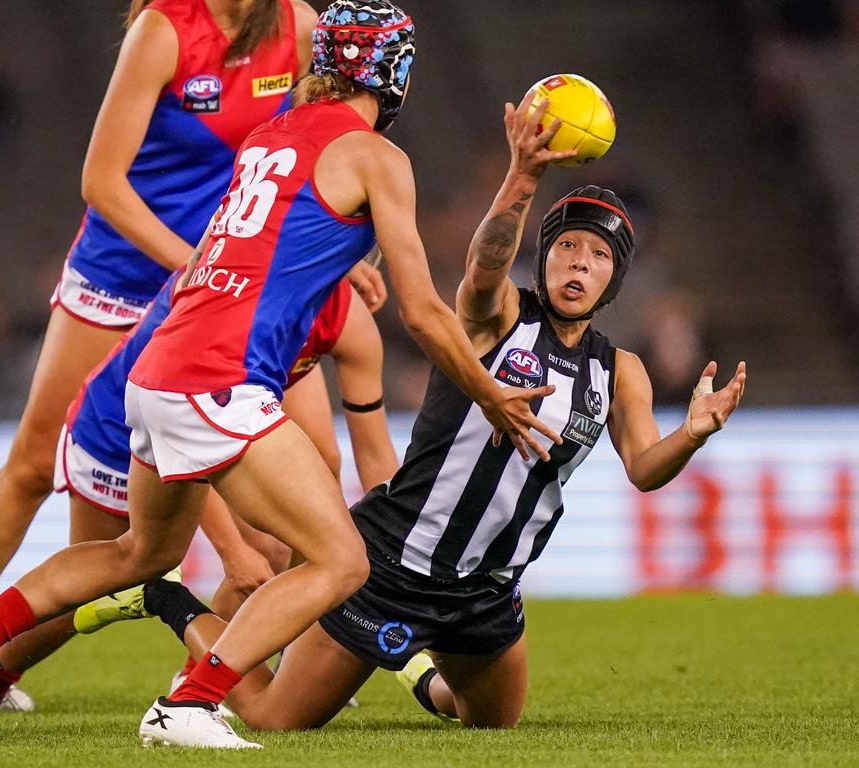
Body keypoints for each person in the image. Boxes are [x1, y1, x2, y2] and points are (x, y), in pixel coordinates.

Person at [0, 0, 559, 749]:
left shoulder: (271, 135)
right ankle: (189, 702)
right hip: (218, 377)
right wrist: (493, 396)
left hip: (156, 366)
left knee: (139, 555)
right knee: (339, 559)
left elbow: (279, 241)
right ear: (396, 75)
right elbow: (424, 312)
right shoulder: (378, 158)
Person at [86, 89, 748, 732]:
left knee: (489, 722)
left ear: (615, 278)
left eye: (598, 256)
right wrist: (521, 178)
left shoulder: (618, 369)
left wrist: (691, 434)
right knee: (272, 717)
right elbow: (484, 271)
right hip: (393, 562)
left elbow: (643, 467)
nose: (578, 264)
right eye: (567, 247)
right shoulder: (501, 319)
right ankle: (165, 597)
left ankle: (414, 670)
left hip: (486, 590)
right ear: (544, 257)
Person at [0, 0, 322, 624]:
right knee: (35, 463)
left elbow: (308, 150)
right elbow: (101, 181)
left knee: (311, 463)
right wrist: (191, 264)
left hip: (218, 285)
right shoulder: (164, 29)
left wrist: (334, 238)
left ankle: (278, 660)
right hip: (123, 275)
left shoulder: (297, 26)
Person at [0, 269, 398, 712]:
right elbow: (182, 422)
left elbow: (340, 454)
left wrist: (401, 544)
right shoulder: (227, 288)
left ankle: (202, 678)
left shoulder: (340, 317)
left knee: (276, 542)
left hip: (204, 421)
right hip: (122, 426)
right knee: (114, 571)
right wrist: (231, 549)